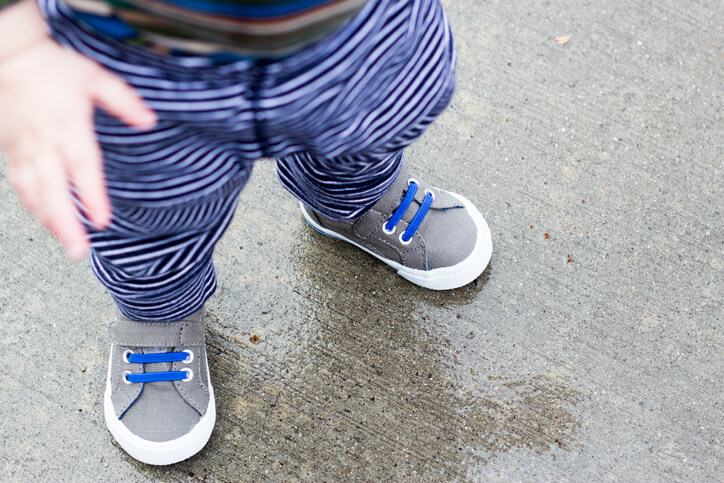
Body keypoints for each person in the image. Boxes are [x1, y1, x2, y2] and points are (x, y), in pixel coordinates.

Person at [0, 0, 492, 465]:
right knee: (147, 206)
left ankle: (349, 201)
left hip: (352, 28)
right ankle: (158, 308)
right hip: (139, 53)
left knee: (379, 111)